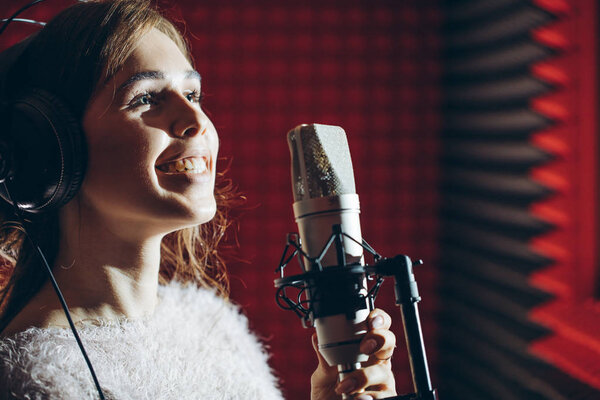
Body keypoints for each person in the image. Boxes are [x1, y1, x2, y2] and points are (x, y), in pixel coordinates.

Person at [0, 0, 398, 398]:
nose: (197, 121)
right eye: (146, 98)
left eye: (193, 93)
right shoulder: (37, 379)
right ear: (51, 149)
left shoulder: (212, 323)